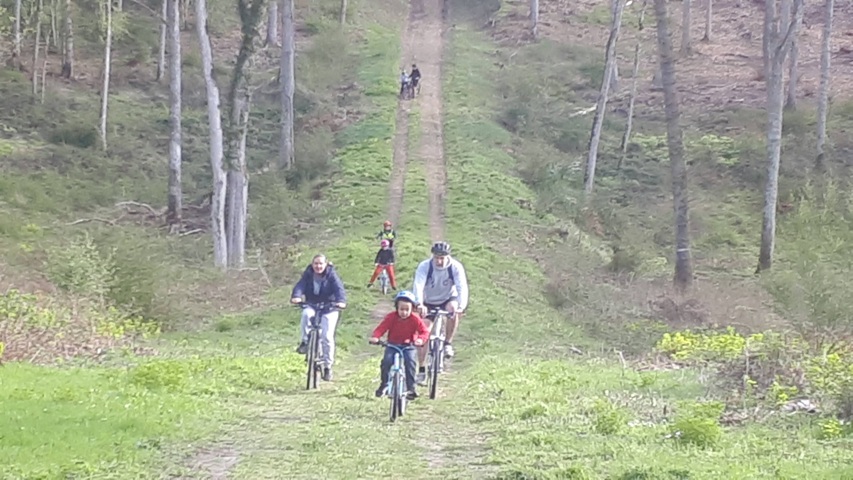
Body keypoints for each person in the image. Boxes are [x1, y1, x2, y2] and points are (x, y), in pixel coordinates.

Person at [411, 241, 469, 384]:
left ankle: (448, 343)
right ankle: (422, 369)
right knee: (423, 333)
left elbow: (462, 287)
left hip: (448, 298)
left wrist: (461, 306)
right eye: (436, 257)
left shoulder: (455, 267)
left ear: (448, 256)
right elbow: (418, 285)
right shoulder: (425, 266)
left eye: (442, 257)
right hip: (428, 301)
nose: (439, 261)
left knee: (453, 309)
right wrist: (419, 303)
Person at [290, 254, 347, 381]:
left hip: (330, 307)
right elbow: (300, 286)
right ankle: (305, 342)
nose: (318, 266)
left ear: (326, 264)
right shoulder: (308, 274)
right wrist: (296, 296)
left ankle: (327, 366)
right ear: (312, 264)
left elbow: (339, 289)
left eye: (321, 263)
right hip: (312, 305)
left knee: (327, 337)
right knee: (306, 314)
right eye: (316, 263)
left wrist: (341, 301)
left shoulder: (331, 275)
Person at [369, 290, 429, 400]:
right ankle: (384, 384)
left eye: (407, 310)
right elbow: (381, 328)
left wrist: (420, 340)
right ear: (397, 307)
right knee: (386, 362)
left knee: (410, 363)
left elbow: (424, 332)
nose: (404, 312)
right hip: (392, 344)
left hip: (409, 345)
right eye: (402, 309)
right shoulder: (391, 317)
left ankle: (411, 388)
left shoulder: (415, 319)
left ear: (412, 309)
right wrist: (376, 337)